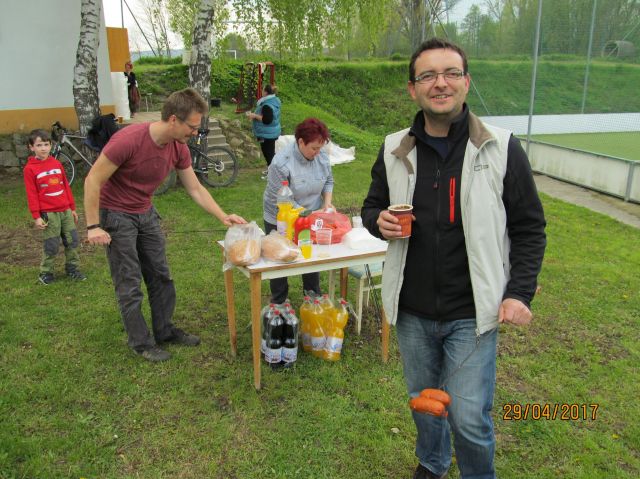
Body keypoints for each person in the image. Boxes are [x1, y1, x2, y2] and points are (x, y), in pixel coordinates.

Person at [361, 38, 546, 479]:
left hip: (472, 313)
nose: (440, 83)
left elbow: (529, 227)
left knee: (468, 416)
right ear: (413, 89)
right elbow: (372, 206)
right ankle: (432, 463)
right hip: (412, 311)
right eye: (427, 75)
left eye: (450, 73)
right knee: (426, 403)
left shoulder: (500, 147)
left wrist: (519, 292)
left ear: (466, 82)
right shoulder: (393, 148)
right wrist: (377, 221)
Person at [84, 88, 247, 362]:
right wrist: (93, 226)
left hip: (145, 211)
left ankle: (164, 330)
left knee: (161, 274)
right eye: (192, 127)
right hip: (116, 214)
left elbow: (195, 188)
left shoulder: (178, 147)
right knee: (129, 281)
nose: (194, 132)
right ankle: (141, 342)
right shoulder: (128, 140)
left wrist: (222, 216)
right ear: (173, 119)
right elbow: (93, 180)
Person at [263, 117, 333, 304]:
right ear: (301, 142)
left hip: (311, 214)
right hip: (281, 216)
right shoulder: (280, 163)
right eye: (314, 148)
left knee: (309, 254)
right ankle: (279, 302)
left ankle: (312, 297)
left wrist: (327, 203)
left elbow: (328, 180)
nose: (318, 153)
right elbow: (282, 199)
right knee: (280, 257)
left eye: (320, 148)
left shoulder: (321, 156)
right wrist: (308, 214)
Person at [23, 129, 87, 285]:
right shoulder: (29, 169)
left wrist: (72, 208)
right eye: (39, 145)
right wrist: (37, 216)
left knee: (72, 240)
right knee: (51, 244)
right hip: (49, 214)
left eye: (46, 144)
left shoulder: (57, 163)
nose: (43, 148)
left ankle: (72, 268)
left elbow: (65, 187)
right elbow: (32, 194)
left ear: (50, 145)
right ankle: (46, 273)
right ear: (31, 147)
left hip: (65, 211)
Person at [247, 84, 281, 179]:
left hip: (267, 133)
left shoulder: (267, 104)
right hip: (270, 131)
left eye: (263, 90)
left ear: (266, 92)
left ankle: (273, 174)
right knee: (269, 152)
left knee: (268, 153)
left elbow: (267, 120)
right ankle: (271, 169)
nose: (261, 91)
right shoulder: (274, 100)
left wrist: (254, 116)